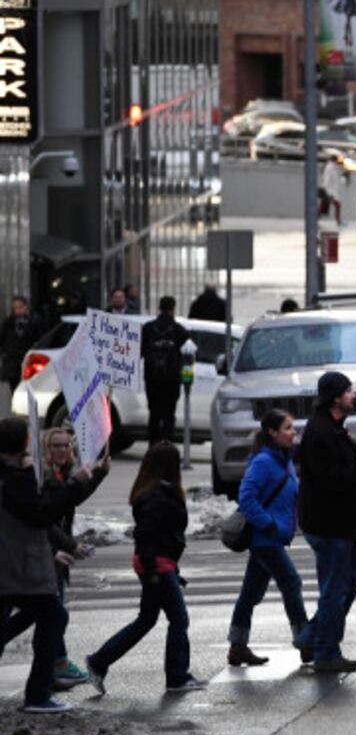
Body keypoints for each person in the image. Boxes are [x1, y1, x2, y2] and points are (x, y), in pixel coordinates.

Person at [85, 442, 205, 695]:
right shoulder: (157, 496)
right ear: (170, 466)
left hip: (159, 565)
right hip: (156, 565)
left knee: (146, 620)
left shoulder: (155, 492)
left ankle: (99, 661)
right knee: (179, 619)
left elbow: (160, 536)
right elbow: (147, 536)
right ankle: (177, 676)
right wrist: (155, 571)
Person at [0, 417, 94, 713]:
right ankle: (38, 695)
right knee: (54, 616)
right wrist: (76, 483)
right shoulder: (14, 478)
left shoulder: (13, 474)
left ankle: (40, 691)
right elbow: (42, 515)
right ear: (27, 444)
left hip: (14, 564)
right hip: (18, 566)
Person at [297, 371, 356, 674]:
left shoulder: (333, 428)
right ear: (335, 397)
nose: (353, 396)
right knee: (335, 587)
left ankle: (312, 635)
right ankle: (326, 652)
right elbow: (332, 480)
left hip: (342, 522)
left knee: (354, 579)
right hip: (329, 524)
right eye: (348, 392)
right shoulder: (321, 433)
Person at [227, 409, 309, 667]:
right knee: (291, 583)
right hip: (265, 539)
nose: (292, 432)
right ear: (272, 433)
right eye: (287, 428)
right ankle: (305, 641)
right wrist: (269, 524)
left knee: (250, 592)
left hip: (274, 536)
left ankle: (237, 646)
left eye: (292, 427)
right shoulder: (263, 461)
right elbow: (246, 497)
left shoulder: (283, 459)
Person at [139, 296, 191, 445]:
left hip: (152, 378)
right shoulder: (179, 330)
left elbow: (139, 351)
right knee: (169, 415)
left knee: (154, 414)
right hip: (171, 380)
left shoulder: (148, 328)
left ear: (159, 308)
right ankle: (167, 446)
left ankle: (153, 447)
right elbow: (189, 352)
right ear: (173, 309)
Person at [1, 295, 44, 397]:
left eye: (20, 307)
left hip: (28, 357)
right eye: (15, 307)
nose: (18, 310)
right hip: (12, 359)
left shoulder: (34, 320)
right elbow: (2, 338)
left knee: (28, 385)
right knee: (14, 386)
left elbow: (40, 337)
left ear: (26, 307)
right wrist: (4, 352)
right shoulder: (8, 322)